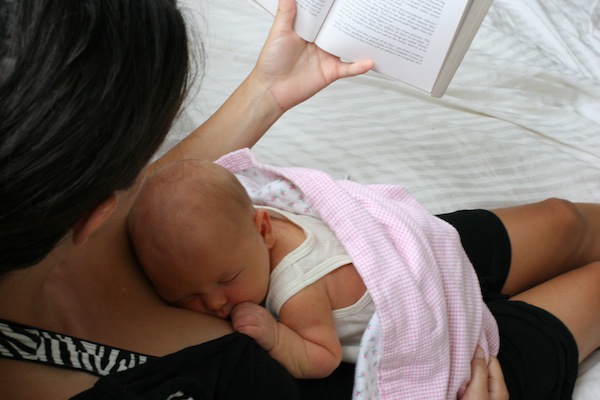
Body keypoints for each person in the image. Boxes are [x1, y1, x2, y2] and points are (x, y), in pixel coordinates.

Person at [0, 0, 506, 398]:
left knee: (563, 226)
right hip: (411, 373)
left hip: (384, 265)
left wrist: (271, 87)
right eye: (139, 157)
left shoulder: (45, 231)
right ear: (91, 213)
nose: (151, 169)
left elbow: (174, 193)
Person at [129, 155, 600, 399]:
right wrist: (275, 337)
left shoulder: (291, 285)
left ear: (263, 226)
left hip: (405, 262)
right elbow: (320, 358)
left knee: (562, 220)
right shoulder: (271, 269)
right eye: (184, 296)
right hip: (427, 349)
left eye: (226, 278)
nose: (215, 303)